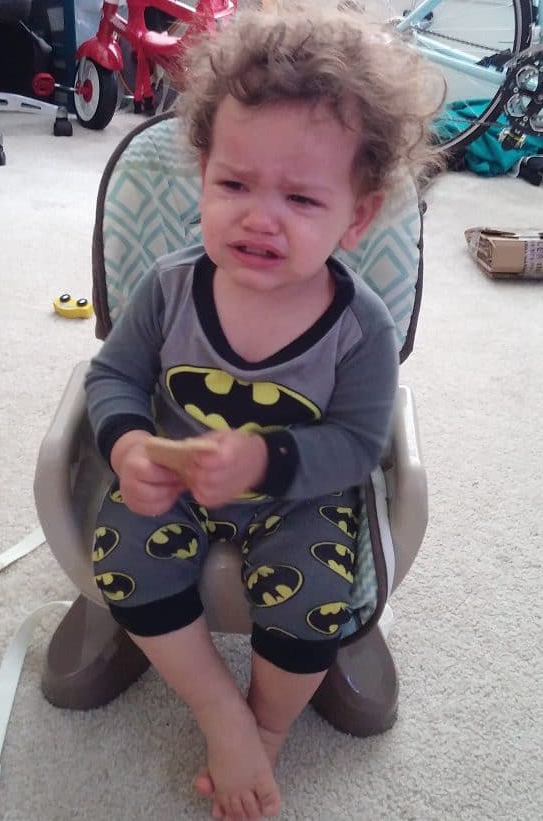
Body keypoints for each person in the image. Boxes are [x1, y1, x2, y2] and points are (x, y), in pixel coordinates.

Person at [85, 3, 440, 819]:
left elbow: (357, 442)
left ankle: (270, 725)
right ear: (202, 171)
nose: (258, 216)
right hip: (173, 488)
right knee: (124, 558)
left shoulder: (360, 325)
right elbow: (111, 377)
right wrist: (131, 442)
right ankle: (216, 704)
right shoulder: (170, 290)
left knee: (317, 590)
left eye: (301, 200)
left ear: (354, 216)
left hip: (300, 496)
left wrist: (267, 462)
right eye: (234, 184)